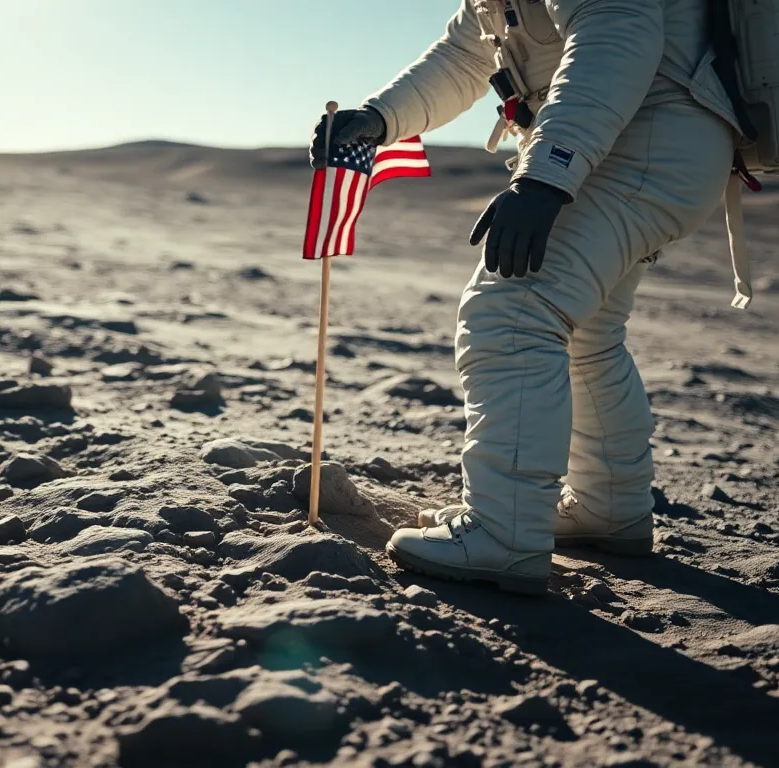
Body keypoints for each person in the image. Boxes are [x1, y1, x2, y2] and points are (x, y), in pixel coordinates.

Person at [311, 0, 744, 595]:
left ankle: (504, 533)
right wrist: (380, 118)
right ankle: (608, 507)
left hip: (644, 142)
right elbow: (465, 56)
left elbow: (616, 35)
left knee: (512, 310)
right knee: (589, 332)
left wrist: (546, 175)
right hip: (649, 145)